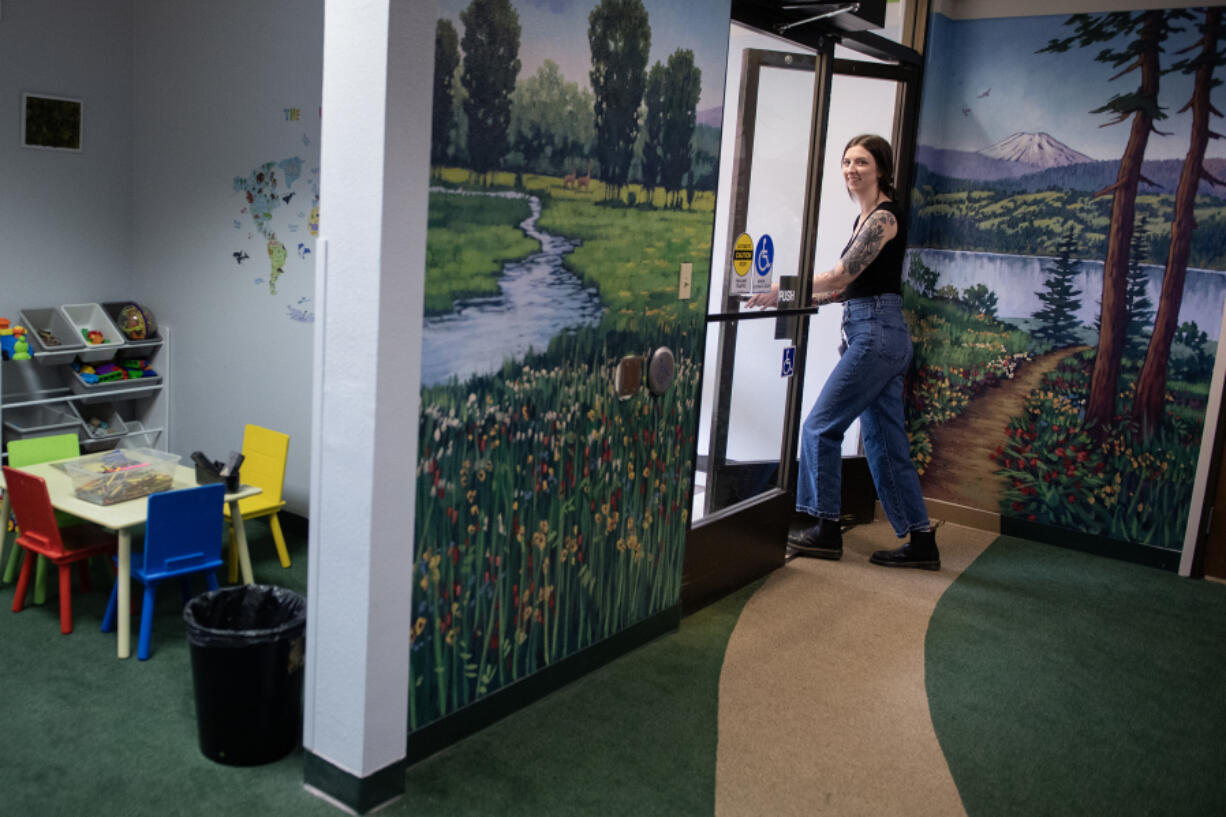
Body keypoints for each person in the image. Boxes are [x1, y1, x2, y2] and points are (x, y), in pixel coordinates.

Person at [745, 134, 939, 570]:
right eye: (847, 162)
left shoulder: (882, 219)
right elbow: (857, 286)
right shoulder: (866, 218)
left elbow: (840, 274)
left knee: (819, 427)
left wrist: (781, 288)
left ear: (882, 169)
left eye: (862, 162)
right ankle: (922, 541)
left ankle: (825, 528)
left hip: (876, 335)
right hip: (877, 330)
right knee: (886, 444)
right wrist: (821, 298)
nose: (851, 169)